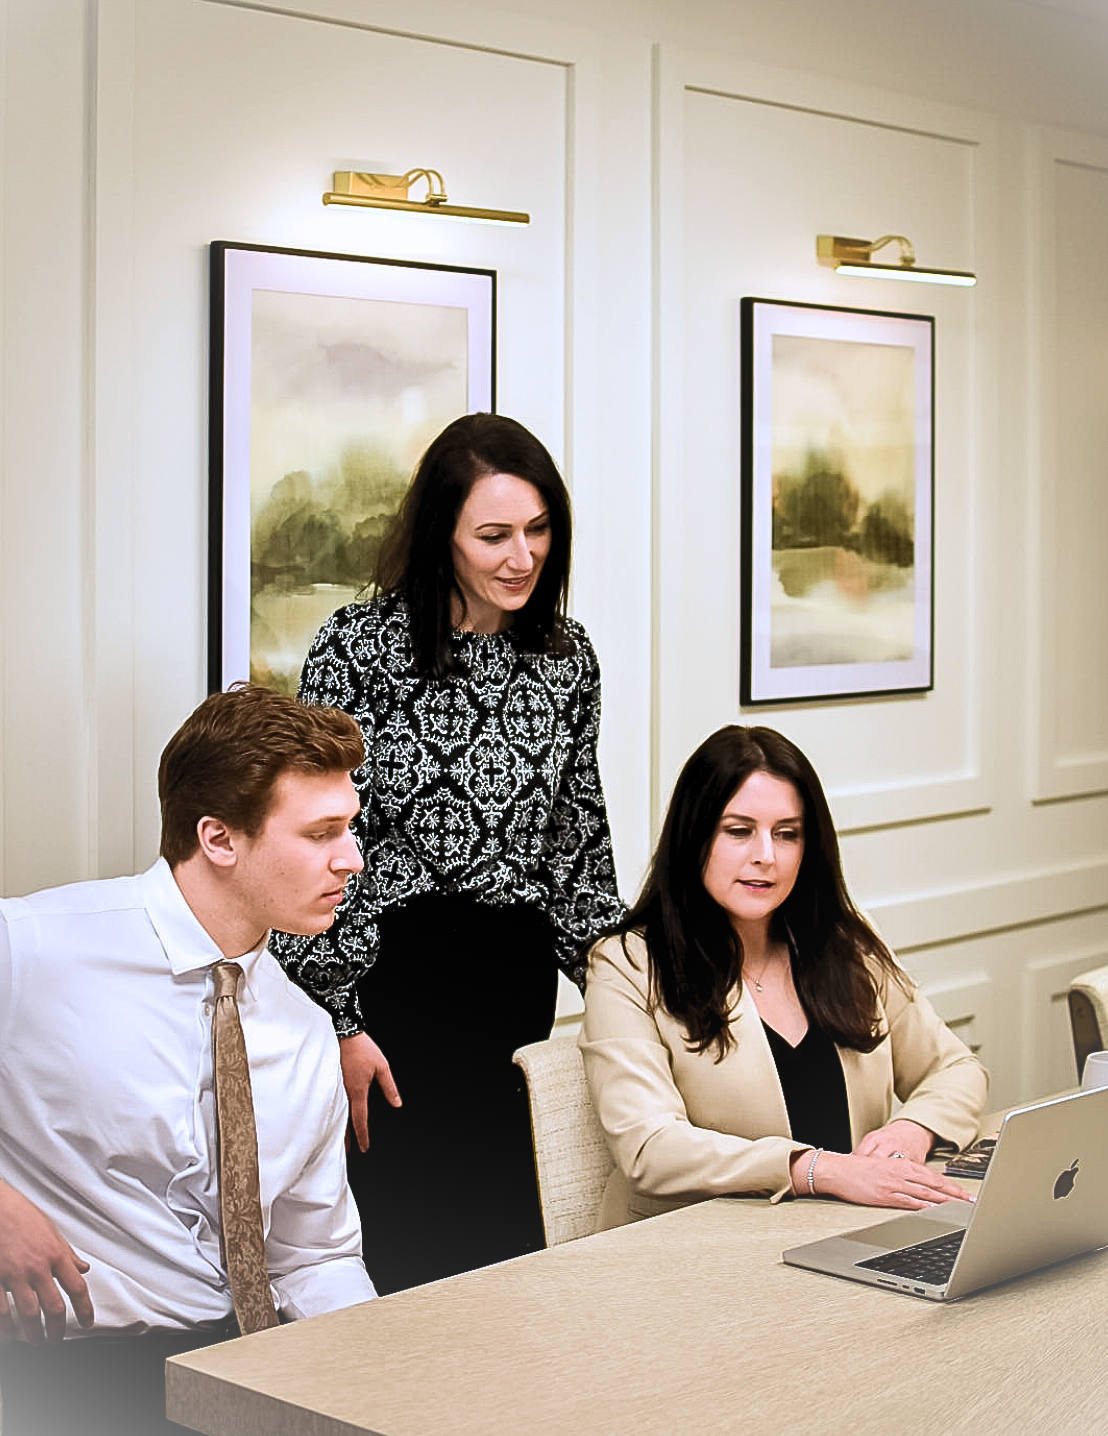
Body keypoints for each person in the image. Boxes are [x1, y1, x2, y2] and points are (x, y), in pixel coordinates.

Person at [270, 412, 625, 1293]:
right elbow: (319, 844)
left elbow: (577, 841)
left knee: (504, 1252)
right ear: (443, 536)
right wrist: (338, 1021)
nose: (522, 556)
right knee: (400, 1254)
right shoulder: (358, 650)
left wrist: (631, 995)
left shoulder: (566, 656)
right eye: (494, 535)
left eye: (539, 530)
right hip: (393, 989)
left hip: (510, 986)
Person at [0, 684, 377, 1436]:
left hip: (242, 1367)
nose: (353, 861)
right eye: (320, 834)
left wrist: (372, 1381)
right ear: (219, 838)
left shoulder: (304, 1031)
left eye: (351, 829)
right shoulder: (35, 946)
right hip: (61, 1374)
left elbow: (313, 1257)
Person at [580, 725, 987, 1230]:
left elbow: (955, 1068)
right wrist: (817, 1169)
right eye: (738, 830)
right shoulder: (628, 964)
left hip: (843, 1232)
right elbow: (651, 1147)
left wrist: (912, 1129)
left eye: (787, 833)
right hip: (690, 1252)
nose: (766, 856)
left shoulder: (846, 943)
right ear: (694, 835)